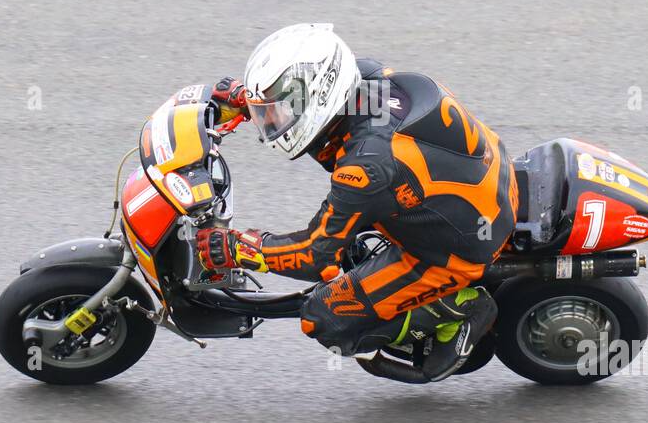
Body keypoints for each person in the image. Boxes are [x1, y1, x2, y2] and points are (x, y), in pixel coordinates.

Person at [196, 23, 517, 382]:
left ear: (319, 95)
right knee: (350, 241)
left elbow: (313, 254)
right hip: (481, 183)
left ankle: (456, 308)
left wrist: (240, 250)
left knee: (325, 317)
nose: (271, 122)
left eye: (277, 111)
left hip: (454, 249)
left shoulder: (367, 167)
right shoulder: (362, 79)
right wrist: (249, 100)